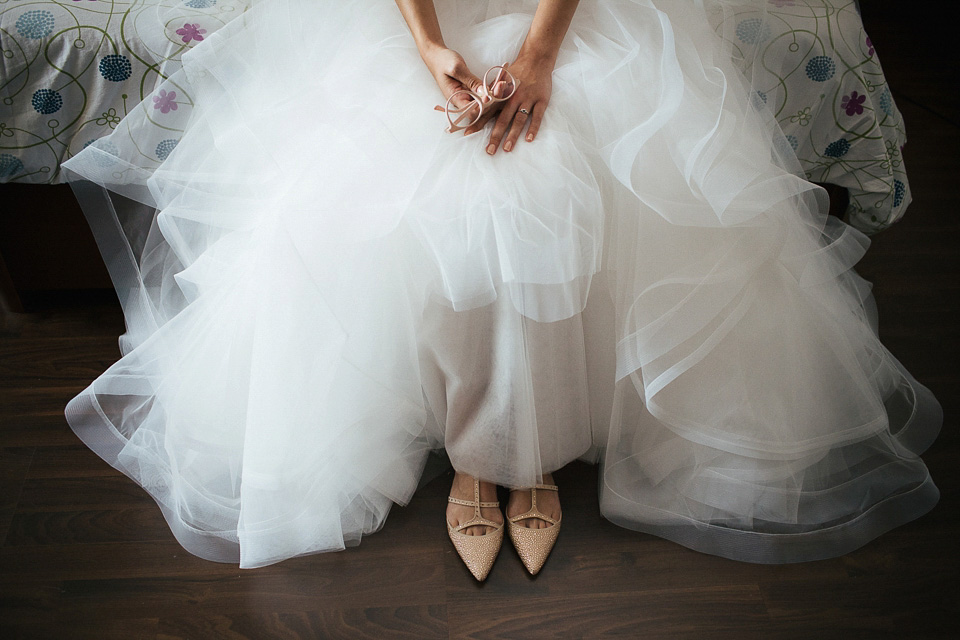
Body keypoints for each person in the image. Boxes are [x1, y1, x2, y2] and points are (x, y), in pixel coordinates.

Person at [61, 0, 942, 580]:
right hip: (421, 14)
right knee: (414, 177)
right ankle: (486, 454)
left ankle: (528, 453)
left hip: (559, 15)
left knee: (540, 172)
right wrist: (428, 45)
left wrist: (539, 56)